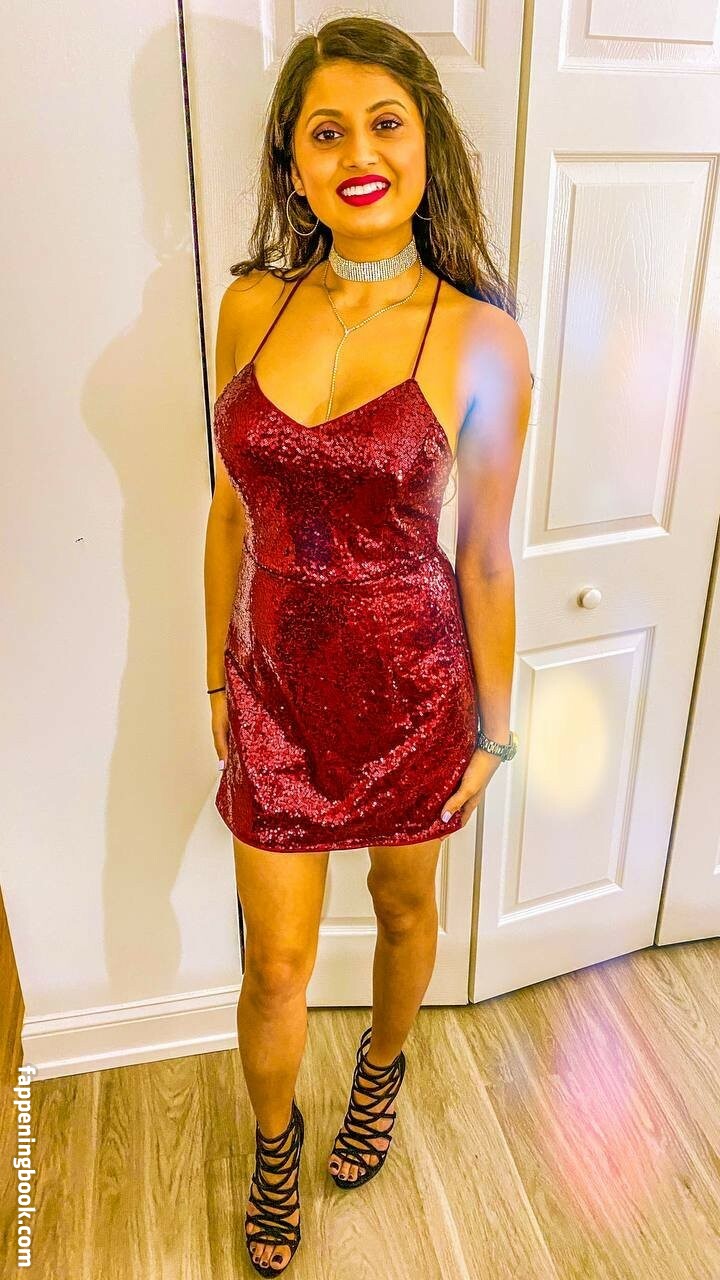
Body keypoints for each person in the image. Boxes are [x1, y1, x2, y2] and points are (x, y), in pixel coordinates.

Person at [203, 14, 532, 1274]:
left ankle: (383, 1069)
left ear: (426, 145)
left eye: (385, 124)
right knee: (275, 961)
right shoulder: (249, 306)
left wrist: (495, 729)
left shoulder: (482, 336)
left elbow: (485, 553)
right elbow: (226, 511)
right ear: (293, 164)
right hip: (274, 688)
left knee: (404, 904)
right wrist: (213, 673)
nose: (359, 153)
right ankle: (272, 1144)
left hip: (414, 688)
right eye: (327, 131)